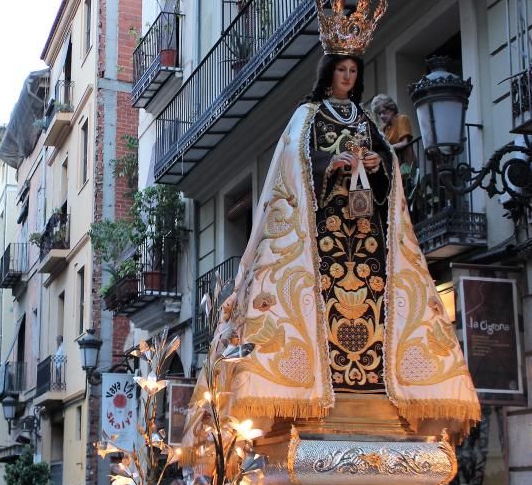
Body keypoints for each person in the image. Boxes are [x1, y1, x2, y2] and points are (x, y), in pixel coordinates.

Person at [183, 35, 481, 440]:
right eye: (341, 69)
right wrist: (330, 163)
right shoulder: (308, 116)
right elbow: (293, 163)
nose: (347, 76)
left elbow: (389, 170)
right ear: (328, 74)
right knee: (317, 304)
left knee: (375, 302)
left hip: (366, 240)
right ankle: (315, 383)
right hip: (323, 235)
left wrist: (377, 164)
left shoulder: (365, 120)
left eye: (353, 71)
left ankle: (377, 383)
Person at [370, 93, 415, 176]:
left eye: (383, 112)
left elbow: (404, 143)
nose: (382, 116)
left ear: (392, 108)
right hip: (393, 165)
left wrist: (387, 148)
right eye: (379, 114)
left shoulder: (402, 119)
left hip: (406, 164)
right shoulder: (383, 128)